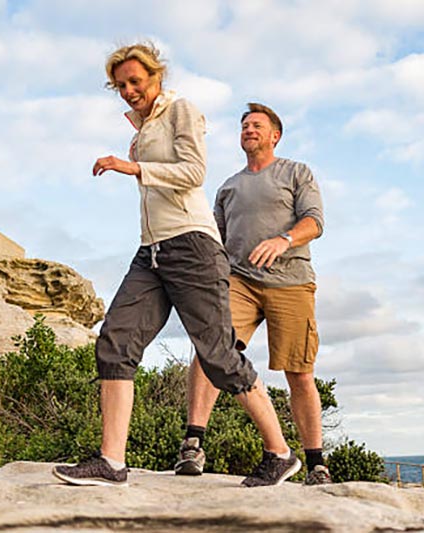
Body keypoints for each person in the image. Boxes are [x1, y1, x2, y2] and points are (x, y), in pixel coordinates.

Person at [52, 44, 300, 488]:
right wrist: (137, 161)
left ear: (156, 77)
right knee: (115, 340)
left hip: (192, 246)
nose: (129, 91)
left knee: (218, 355)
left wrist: (133, 167)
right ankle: (111, 462)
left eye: (136, 81)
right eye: (121, 85)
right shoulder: (141, 129)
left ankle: (279, 453)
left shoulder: (181, 110)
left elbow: (194, 172)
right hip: (151, 252)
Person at [176, 102, 331, 485]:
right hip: (239, 280)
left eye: (257, 125)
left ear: (275, 135)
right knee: (211, 350)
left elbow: (315, 222)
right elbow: (215, 239)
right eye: (244, 125)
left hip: (291, 280)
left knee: (300, 373)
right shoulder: (228, 187)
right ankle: (193, 445)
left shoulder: (296, 172)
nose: (249, 129)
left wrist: (283, 240)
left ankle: (316, 465)